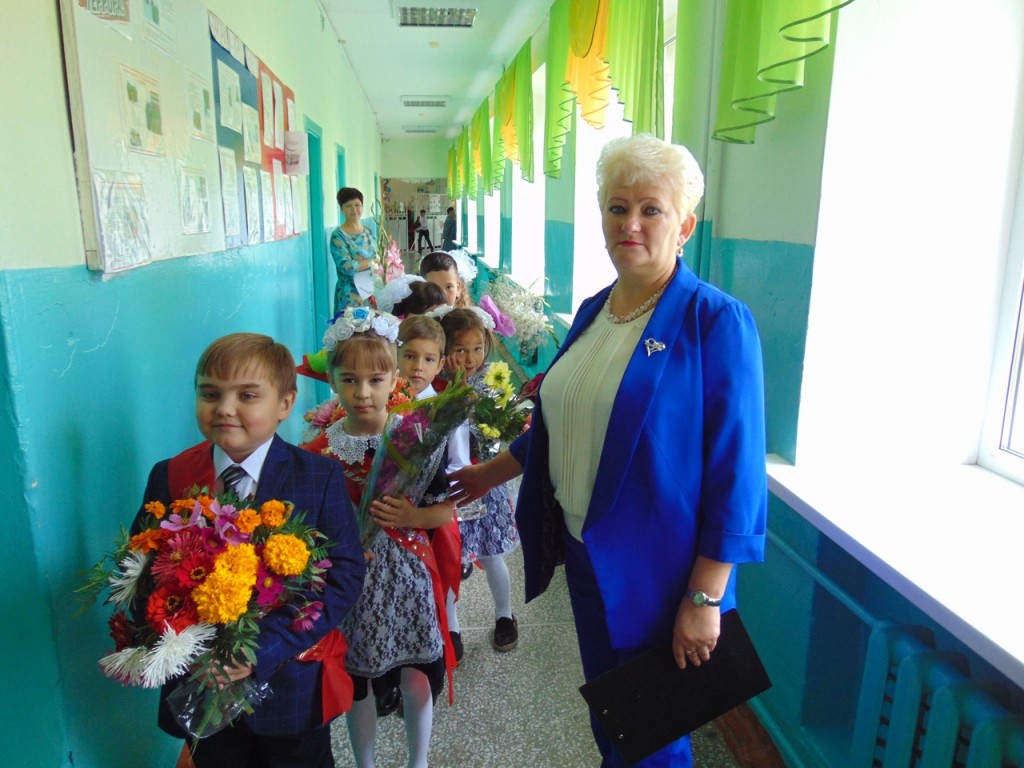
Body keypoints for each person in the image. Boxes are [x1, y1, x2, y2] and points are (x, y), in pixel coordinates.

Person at [448, 134, 768, 767]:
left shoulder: (714, 321)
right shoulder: (597, 310)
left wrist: (705, 596)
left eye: (651, 209)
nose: (631, 224)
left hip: (662, 573)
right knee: (614, 723)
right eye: (617, 208)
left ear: (685, 225)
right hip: (587, 554)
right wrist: (490, 473)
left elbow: (737, 472)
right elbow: (565, 421)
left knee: (653, 741)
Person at [133, 333, 366, 768]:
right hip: (202, 684)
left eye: (247, 395)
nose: (225, 408)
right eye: (210, 394)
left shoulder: (318, 477)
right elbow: (144, 573)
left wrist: (262, 648)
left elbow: (344, 576)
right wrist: (178, 640)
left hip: (289, 687)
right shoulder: (170, 475)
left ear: (285, 403)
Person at [311, 308, 456, 768]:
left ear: (394, 378)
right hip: (351, 584)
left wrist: (414, 515)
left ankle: (419, 761)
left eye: (375, 380)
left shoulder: (415, 438)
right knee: (359, 682)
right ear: (332, 381)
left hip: (409, 575)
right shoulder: (319, 451)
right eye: (349, 380)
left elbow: (447, 508)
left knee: (417, 673)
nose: (362, 392)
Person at [439, 307, 521, 655]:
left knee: (492, 556)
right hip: (451, 487)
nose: (470, 358)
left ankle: (505, 615)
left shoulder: (492, 382)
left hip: (486, 484)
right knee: (450, 559)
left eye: (477, 348)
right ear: (444, 350)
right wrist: (454, 390)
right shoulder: (435, 384)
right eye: (460, 349)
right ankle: (451, 628)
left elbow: (498, 433)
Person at [331, 187, 380, 313]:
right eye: (348, 206)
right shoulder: (338, 236)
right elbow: (347, 267)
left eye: (357, 205)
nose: (354, 209)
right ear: (342, 209)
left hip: (370, 292)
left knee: (374, 324)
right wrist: (373, 261)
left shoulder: (368, 232)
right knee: (351, 325)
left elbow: (379, 257)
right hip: (350, 296)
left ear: (362, 207)